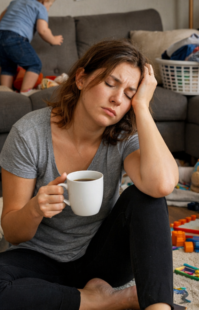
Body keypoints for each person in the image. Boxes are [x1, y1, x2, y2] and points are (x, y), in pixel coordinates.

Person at [0, 39, 178, 310]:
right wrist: (35, 209)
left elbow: (162, 184)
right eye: (110, 83)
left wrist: (142, 107)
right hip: (37, 257)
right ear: (81, 79)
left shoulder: (123, 136)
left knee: (147, 197)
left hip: (102, 261)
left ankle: (157, 307)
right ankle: (103, 301)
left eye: (130, 93)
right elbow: (12, 232)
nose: (118, 99)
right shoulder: (28, 134)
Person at [0, 0, 63, 95]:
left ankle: (6, 94)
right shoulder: (40, 7)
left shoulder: (15, 2)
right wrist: (53, 39)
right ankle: (24, 94)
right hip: (16, 38)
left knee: (7, 68)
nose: (48, 9)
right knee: (35, 65)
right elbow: (43, 30)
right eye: (50, 5)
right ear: (44, 1)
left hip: (1, 38)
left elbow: (1, 18)